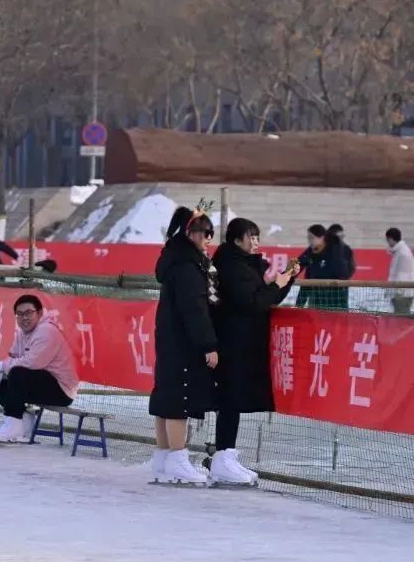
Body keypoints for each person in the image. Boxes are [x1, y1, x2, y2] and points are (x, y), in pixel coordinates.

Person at [210, 218, 298, 484]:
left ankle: (226, 456)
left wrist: (287, 279)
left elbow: (266, 299)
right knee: (230, 399)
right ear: (237, 239)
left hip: (244, 341)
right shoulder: (232, 266)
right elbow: (253, 302)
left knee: (234, 399)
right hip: (232, 341)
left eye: (258, 236)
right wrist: (277, 284)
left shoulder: (245, 265)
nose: (256, 242)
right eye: (251, 237)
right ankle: (222, 457)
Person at [148, 206, 219, 485]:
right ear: (190, 233)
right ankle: (178, 459)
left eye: (211, 233)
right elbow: (195, 309)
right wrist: (208, 344)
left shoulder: (173, 259)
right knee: (179, 400)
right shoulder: (188, 266)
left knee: (166, 398)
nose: (209, 238)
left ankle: (163, 459)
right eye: (205, 233)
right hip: (184, 342)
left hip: (169, 339)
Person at [0, 294, 79, 444]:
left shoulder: (47, 331)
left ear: (40, 313)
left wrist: (4, 365)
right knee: (0, 377)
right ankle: (22, 421)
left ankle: (14, 427)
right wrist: (3, 367)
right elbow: (14, 356)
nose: (24, 318)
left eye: (28, 312)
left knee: (17, 373)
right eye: (20, 314)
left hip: (62, 390)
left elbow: (33, 363)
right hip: (40, 382)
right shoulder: (21, 333)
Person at [294, 224, 348, 310]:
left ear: (322, 238)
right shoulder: (311, 252)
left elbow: (341, 274)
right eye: (309, 238)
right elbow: (298, 266)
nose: (310, 241)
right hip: (315, 304)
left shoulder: (335, 251)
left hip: (335, 303)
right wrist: (298, 306)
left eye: (312, 238)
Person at [385, 228, 414, 315]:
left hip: (402, 295)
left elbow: (403, 276)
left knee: (401, 318)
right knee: (400, 317)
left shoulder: (403, 253)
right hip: (401, 293)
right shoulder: (400, 251)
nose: (387, 242)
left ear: (390, 239)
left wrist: (396, 294)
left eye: (387, 240)